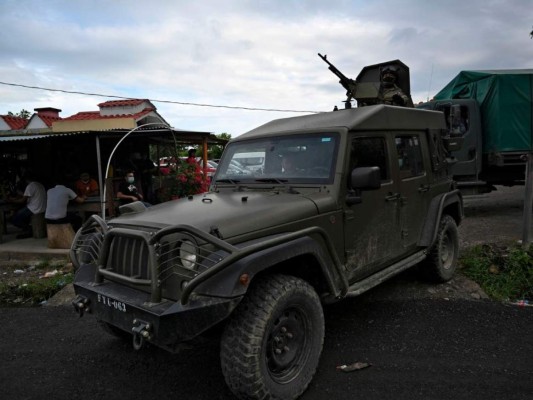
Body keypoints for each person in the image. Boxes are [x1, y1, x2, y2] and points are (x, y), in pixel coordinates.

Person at [8, 173, 46, 238]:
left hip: (34, 209)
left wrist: (12, 200)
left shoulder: (30, 186)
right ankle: (27, 228)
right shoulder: (40, 185)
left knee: (14, 219)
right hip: (42, 207)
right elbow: (27, 196)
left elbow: (22, 200)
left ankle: (29, 229)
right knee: (23, 215)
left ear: (26, 180)